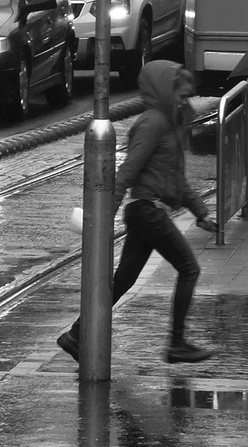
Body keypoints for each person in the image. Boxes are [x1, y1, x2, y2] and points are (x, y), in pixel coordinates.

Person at [56, 60, 218, 365]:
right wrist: (103, 216)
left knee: (122, 281)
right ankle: (177, 343)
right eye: (181, 95)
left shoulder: (168, 121)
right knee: (189, 268)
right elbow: (127, 171)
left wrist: (200, 212)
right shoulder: (153, 122)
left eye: (187, 96)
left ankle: (77, 335)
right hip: (146, 212)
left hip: (147, 212)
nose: (185, 101)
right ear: (162, 91)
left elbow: (175, 179)